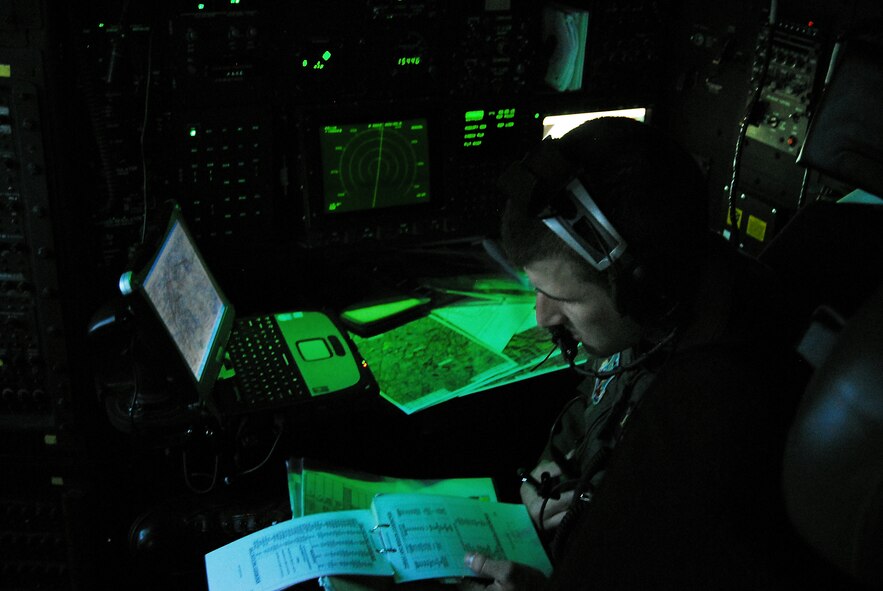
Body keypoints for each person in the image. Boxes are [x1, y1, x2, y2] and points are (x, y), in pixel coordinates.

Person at [458, 117, 812, 590]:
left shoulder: (707, 424)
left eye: (562, 299)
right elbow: (602, 390)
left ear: (640, 288)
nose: (543, 317)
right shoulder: (676, 300)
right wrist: (558, 464)